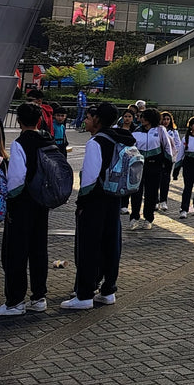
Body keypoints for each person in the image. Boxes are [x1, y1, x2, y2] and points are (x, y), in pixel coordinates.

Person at [59, 101, 134, 310]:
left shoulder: (96, 142)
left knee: (88, 246)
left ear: (98, 120)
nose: (86, 120)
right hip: (114, 197)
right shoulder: (122, 138)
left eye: (89, 118)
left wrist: (81, 202)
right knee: (111, 244)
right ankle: (108, 290)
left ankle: (84, 294)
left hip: (95, 201)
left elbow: (90, 178)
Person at [0, 103, 52, 317]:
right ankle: (39, 297)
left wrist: (11, 202)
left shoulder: (21, 143)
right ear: (39, 120)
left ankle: (15, 302)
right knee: (39, 251)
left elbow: (17, 178)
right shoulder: (48, 140)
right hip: (42, 203)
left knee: (15, 253)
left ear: (19, 121)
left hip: (23, 205)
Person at [130, 107, 169, 228]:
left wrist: (168, 164)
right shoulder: (136, 131)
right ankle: (134, 217)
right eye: (141, 117)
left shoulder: (160, 130)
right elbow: (131, 148)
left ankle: (149, 218)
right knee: (136, 192)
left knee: (151, 193)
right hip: (139, 166)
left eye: (144, 118)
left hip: (155, 165)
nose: (141, 119)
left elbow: (167, 146)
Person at [158, 111, 182, 208]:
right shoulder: (157, 130)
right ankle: (155, 200)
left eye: (168, 119)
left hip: (168, 158)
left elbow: (178, 144)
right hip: (158, 157)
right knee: (156, 179)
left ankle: (163, 201)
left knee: (165, 179)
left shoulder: (173, 131)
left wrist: (172, 152)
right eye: (164, 119)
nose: (166, 121)